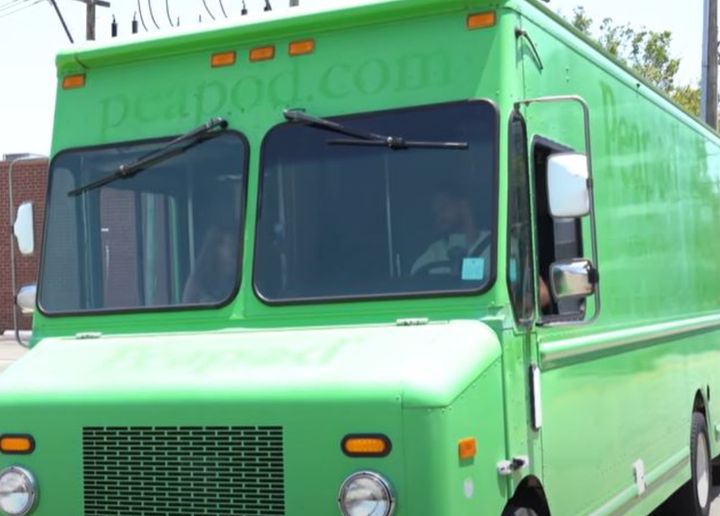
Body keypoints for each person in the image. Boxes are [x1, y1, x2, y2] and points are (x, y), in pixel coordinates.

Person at [411, 189, 490, 278]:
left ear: (464, 205)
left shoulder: (495, 246)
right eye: (435, 214)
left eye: (443, 207)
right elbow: (414, 280)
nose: (439, 217)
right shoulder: (435, 252)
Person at [182, 226, 238, 304]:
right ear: (216, 250)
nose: (235, 256)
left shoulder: (238, 280)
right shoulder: (197, 282)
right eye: (231, 245)